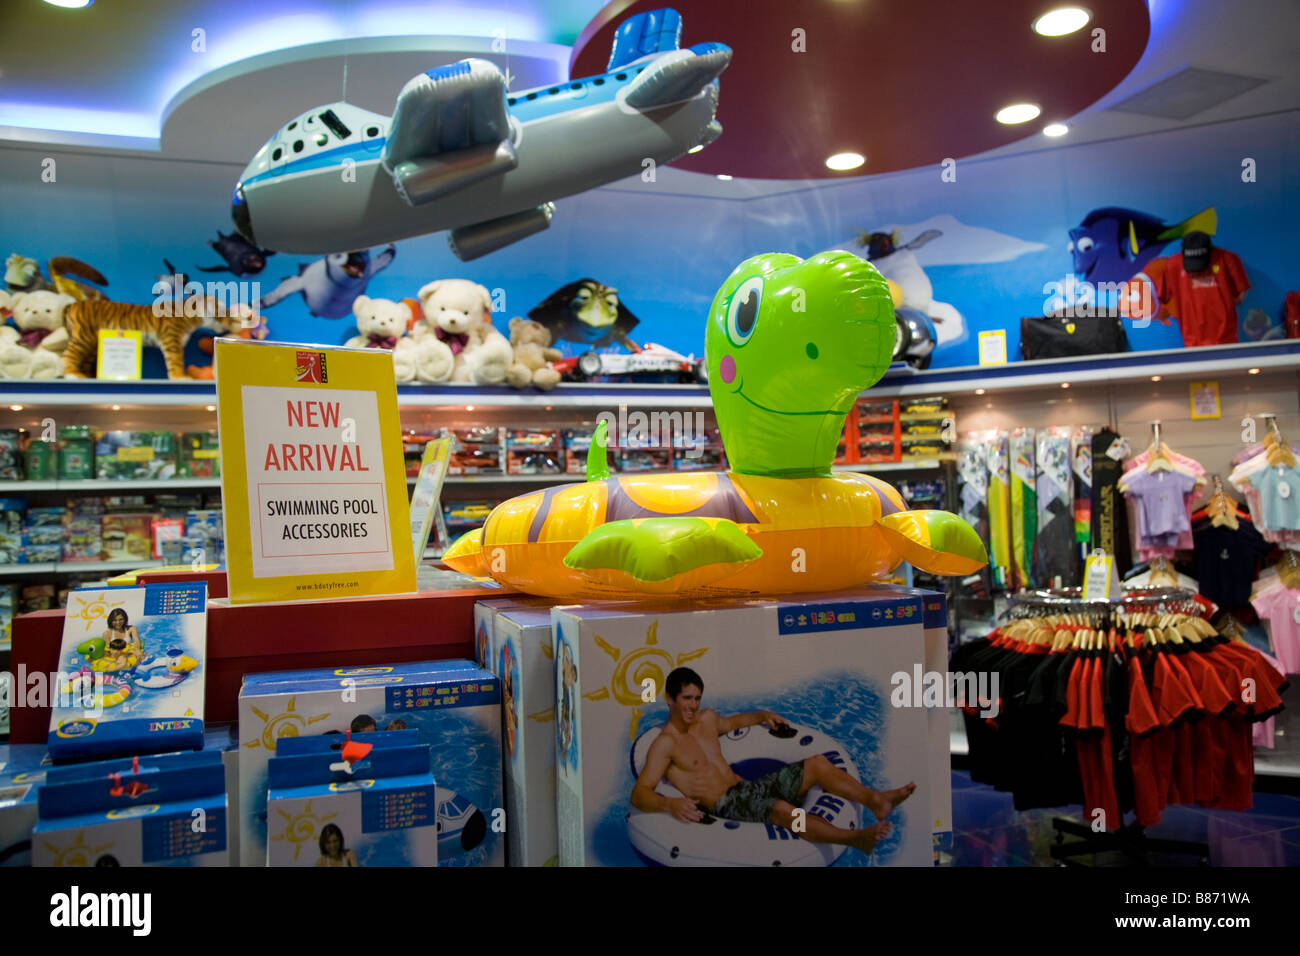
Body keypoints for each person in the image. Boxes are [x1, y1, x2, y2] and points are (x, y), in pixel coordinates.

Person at [630, 667, 915, 857]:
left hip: (749, 788)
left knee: (816, 763)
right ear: (669, 699)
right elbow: (640, 793)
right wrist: (670, 804)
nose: (692, 705)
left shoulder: (706, 720)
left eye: (696, 698)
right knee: (781, 809)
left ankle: (875, 800)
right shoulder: (666, 744)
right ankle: (853, 838)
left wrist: (763, 714)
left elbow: (733, 722)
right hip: (725, 803)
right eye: (686, 699)